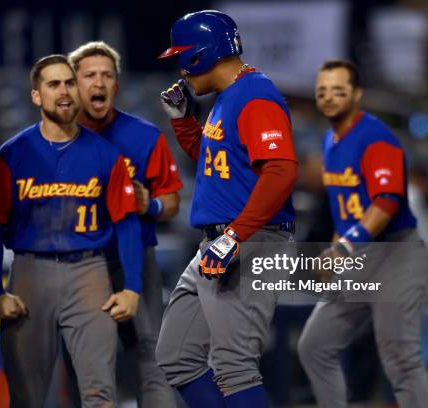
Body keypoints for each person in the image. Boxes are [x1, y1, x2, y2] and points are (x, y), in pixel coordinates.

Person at [0, 54, 142, 408]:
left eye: (69, 83)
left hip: (89, 274)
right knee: (27, 396)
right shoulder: (11, 156)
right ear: (36, 95)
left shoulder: (105, 154)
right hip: (29, 274)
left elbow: (127, 223)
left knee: (100, 394)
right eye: (53, 84)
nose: (64, 91)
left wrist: (131, 288)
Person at [155, 10, 298, 408]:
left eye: (182, 57)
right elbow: (218, 164)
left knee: (234, 367)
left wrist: (235, 237)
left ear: (200, 55)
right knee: (177, 358)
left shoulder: (255, 95)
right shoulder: (229, 97)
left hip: (252, 241)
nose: (180, 69)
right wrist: (185, 124)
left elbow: (282, 170)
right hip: (224, 241)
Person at [297, 59, 428, 408]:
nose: (329, 98)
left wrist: (342, 249)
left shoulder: (376, 138)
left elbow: (386, 203)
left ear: (357, 94)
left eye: (338, 91)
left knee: (401, 358)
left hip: (396, 255)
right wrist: (335, 255)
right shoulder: (331, 141)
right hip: (359, 259)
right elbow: (343, 211)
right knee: (314, 346)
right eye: (322, 91)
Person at [68, 41, 183, 408]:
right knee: (84, 359)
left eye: (107, 75)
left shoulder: (144, 136)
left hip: (136, 256)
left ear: (116, 85)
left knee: (152, 351)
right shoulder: (55, 139)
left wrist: (151, 203)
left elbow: (173, 205)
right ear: (74, 83)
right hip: (80, 261)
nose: (99, 82)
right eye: (89, 75)